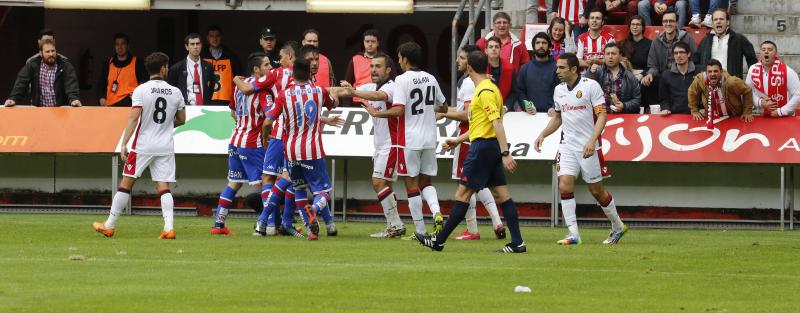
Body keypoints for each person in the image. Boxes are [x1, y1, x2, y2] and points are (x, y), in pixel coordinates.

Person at [415, 50, 526, 253]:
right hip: (487, 145)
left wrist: (505, 153)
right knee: (502, 195)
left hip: (484, 148)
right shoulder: (490, 88)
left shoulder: (484, 92)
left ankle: (438, 241)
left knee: (463, 193)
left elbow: (497, 123)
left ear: (469, 68)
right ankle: (517, 242)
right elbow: (480, 124)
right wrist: (458, 139)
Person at [534, 53, 628, 245]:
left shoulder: (590, 86)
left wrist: (592, 140)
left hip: (588, 146)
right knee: (564, 184)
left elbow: (602, 115)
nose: (557, 71)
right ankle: (573, 234)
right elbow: (558, 118)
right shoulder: (558, 90)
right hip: (567, 145)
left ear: (574, 69)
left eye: (561, 68)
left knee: (596, 191)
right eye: (557, 67)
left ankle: (618, 226)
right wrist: (543, 134)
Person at [92, 52, 186, 239]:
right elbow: (182, 120)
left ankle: (109, 225)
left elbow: (134, 118)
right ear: (163, 68)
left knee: (126, 184)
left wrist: (124, 143)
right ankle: (168, 228)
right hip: (165, 145)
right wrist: (166, 124)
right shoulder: (175, 92)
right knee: (163, 186)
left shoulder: (141, 90)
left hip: (142, 145)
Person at [262, 58, 346, 240]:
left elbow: (268, 121)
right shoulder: (318, 91)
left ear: (293, 74)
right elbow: (333, 104)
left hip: (290, 151)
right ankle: (314, 210)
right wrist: (334, 92)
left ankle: (307, 231)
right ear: (310, 73)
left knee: (298, 188)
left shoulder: (284, 94)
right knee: (322, 192)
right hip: (313, 150)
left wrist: (265, 136)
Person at [437, 45, 506, 241]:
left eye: (461, 58)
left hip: (472, 135)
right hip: (479, 136)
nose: (458, 61)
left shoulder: (469, 83)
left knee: (466, 183)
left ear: (470, 64)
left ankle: (472, 229)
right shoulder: (478, 82)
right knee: (480, 183)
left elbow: (467, 115)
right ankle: (497, 222)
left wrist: (443, 113)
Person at [342, 53, 406, 238]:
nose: (373, 70)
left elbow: (378, 95)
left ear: (388, 70)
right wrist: (321, 91)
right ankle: (393, 226)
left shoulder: (393, 87)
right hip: (379, 145)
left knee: (378, 182)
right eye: (371, 67)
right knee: (384, 185)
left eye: (378, 66)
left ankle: (396, 225)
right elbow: (346, 91)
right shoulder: (370, 86)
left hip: (392, 144)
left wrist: (354, 92)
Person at [208, 53, 271, 235]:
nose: (270, 68)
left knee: (233, 183)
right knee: (265, 184)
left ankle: (218, 225)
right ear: (256, 69)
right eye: (266, 65)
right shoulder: (261, 89)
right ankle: (270, 224)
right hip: (252, 143)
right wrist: (265, 137)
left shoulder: (239, 86)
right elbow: (269, 117)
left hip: (235, 140)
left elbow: (233, 113)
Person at [5, 39, 81, 107]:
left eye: (53, 51)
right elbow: (21, 83)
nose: (51, 54)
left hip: (60, 112)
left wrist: (73, 99)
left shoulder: (65, 65)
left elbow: (71, 84)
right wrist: (13, 98)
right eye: (47, 51)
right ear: (41, 53)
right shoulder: (33, 65)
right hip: (39, 111)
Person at [688, 59, 754, 126]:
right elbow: (692, 92)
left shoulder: (731, 82)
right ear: (706, 72)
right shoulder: (700, 80)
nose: (712, 74)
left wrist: (747, 111)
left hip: (733, 117)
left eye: (715, 71)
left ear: (721, 71)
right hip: (713, 118)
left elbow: (747, 90)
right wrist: (694, 111)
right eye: (710, 72)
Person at [694, 8, 757, 80]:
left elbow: (752, 61)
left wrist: (750, 79)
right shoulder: (705, 40)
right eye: (715, 19)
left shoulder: (739, 39)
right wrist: (703, 73)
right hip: (710, 85)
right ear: (712, 23)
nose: (718, 21)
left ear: (728, 22)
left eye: (721, 19)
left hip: (731, 85)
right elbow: (696, 61)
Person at [641, 10, 697, 89]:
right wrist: (650, 74)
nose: (668, 24)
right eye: (665, 21)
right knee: (645, 83)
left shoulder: (687, 38)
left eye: (671, 21)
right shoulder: (656, 41)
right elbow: (653, 65)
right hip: (663, 77)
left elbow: (694, 59)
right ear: (662, 23)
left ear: (676, 23)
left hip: (682, 75)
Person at [745, 41, 800, 118]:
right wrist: (760, 102)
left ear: (776, 54)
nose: (766, 51)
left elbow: (798, 94)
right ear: (760, 54)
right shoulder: (752, 69)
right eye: (763, 50)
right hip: (761, 116)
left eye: (770, 49)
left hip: (784, 116)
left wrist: (781, 111)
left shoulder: (787, 71)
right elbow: (747, 91)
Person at [586, 43, 642, 113]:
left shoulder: (630, 77)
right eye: (607, 54)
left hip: (622, 116)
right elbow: (585, 90)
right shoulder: (596, 71)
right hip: (600, 114)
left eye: (613, 54)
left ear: (620, 56)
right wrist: (590, 73)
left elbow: (637, 101)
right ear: (604, 56)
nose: (610, 57)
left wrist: (624, 106)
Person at [97, 33, 147, 107]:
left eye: (123, 44)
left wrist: (138, 93)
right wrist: (101, 98)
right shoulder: (108, 63)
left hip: (130, 106)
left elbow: (145, 81)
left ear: (128, 46)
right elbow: (101, 84)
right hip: (110, 106)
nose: (120, 47)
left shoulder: (137, 62)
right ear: (114, 46)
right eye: (117, 44)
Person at [516, 32, 560, 116]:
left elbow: (563, 91)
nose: (541, 46)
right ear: (533, 47)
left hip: (552, 115)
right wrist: (526, 106)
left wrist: (555, 107)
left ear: (550, 47)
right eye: (538, 43)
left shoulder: (558, 68)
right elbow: (520, 91)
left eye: (544, 43)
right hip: (530, 115)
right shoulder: (525, 68)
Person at [201, 25, 245, 106]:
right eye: (211, 36)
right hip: (206, 100)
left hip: (228, 101)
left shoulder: (232, 57)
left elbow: (240, 78)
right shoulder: (201, 57)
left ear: (221, 37)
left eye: (217, 36)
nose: (215, 39)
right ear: (207, 38)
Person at [166, 33, 214, 106]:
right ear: (186, 47)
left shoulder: (208, 66)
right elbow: (170, 91)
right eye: (192, 44)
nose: (195, 47)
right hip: (185, 109)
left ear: (201, 45)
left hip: (204, 108)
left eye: (198, 44)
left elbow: (211, 88)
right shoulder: (176, 68)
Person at [619, 15, 656, 106]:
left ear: (643, 27)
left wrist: (642, 74)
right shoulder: (623, 44)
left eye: (638, 25)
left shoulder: (650, 44)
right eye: (633, 24)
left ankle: (647, 109)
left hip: (643, 75)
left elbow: (653, 65)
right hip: (626, 75)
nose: (635, 27)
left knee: (647, 83)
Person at [658, 41, 700, 114]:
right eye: (675, 53)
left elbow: (705, 94)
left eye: (681, 52)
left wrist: (703, 108)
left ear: (688, 54)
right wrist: (665, 108)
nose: (678, 55)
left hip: (696, 114)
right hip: (674, 115)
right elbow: (663, 98)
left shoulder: (699, 72)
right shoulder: (666, 75)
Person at [485, 36, 519, 111]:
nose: (494, 49)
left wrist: (506, 107)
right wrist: (482, 78)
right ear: (486, 51)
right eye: (491, 47)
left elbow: (514, 92)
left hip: (505, 111)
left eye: (496, 47)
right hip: (484, 110)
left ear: (501, 50)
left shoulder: (510, 68)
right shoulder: (480, 67)